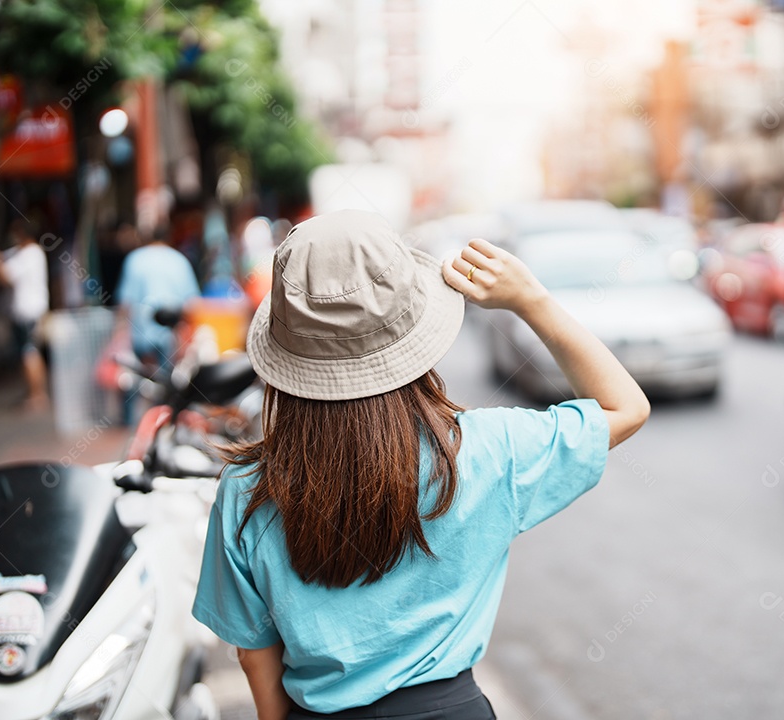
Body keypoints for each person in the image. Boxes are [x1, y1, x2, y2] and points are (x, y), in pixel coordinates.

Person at [191, 210, 650, 719]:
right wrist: (531, 301)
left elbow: (255, 656)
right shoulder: (485, 450)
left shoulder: (246, 488)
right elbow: (625, 407)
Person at [114, 225, 200, 422]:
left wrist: (119, 331)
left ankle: (132, 430)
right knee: (165, 387)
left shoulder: (134, 259)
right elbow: (191, 303)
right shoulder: (178, 260)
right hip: (167, 336)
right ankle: (161, 424)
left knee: (133, 383)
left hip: (139, 331)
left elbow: (125, 302)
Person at [0, 219, 50, 410]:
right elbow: (2, 260)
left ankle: (37, 395)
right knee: (28, 350)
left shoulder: (30, 254)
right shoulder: (23, 252)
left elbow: (4, 275)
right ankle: (35, 393)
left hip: (27, 312)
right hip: (26, 311)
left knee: (28, 351)